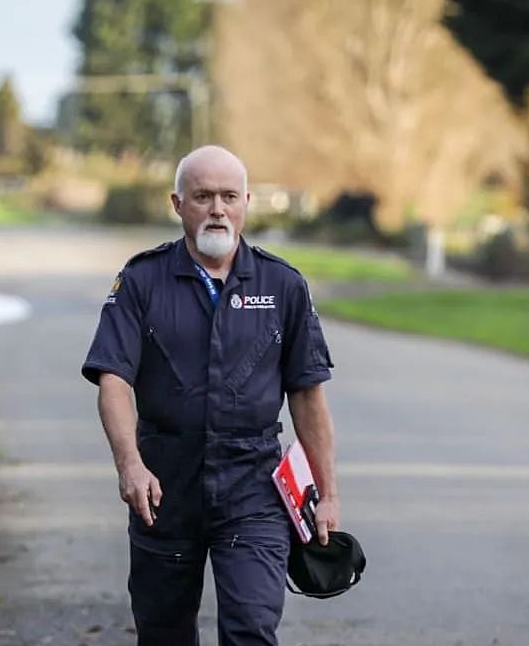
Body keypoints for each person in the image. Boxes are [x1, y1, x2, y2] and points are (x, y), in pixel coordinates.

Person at [82, 145, 339, 646]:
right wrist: (129, 465)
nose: (217, 209)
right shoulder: (141, 280)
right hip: (165, 490)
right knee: (164, 634)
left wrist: (327, 494)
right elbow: (112, 377)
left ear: (246, 202)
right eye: (203, 196)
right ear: (178, 204)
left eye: (229, 196)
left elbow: (308, 395)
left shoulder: (282, 284)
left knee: (251, 629)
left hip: (254, 488)